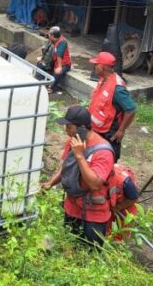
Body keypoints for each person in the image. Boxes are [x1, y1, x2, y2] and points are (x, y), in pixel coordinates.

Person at [41, 105, 115, 246]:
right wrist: (51, 183)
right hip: (72, 207)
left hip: (93, 215)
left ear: (81, 128)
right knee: (69, 246)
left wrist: (80, 156)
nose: (66, 130)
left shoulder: (103, 152)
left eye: (69, 126)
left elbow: (95, 184)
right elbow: (66, 167)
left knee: (90, 254)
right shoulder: (73, 140)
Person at [88, 51, 136, 161]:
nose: (94, 67)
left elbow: (131, 110)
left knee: (108, 157)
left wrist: (121, 130)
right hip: (97, 128)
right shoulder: (103, 79)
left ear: (101, 67)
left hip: (108, 132)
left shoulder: (117, 89)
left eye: (96, 64)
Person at [107, 163, 140, 241]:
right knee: (108, 229)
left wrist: (119, 207)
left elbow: (133, 198)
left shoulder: (125, 181)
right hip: (112, 203)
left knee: (121, 231)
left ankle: (119, 247)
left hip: (125, 206)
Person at [38, 26, 71, 94]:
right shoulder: (52, 40)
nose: (48, 35)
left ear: (52, 35)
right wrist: (42, 58)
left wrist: (59, 67)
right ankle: (40, 81)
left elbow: (59, 55)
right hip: (54, 60)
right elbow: (46, 50)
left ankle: (51, 88)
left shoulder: (62, 42)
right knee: (41, 64)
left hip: (64, 64)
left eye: (49, 34)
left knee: (58, 73)